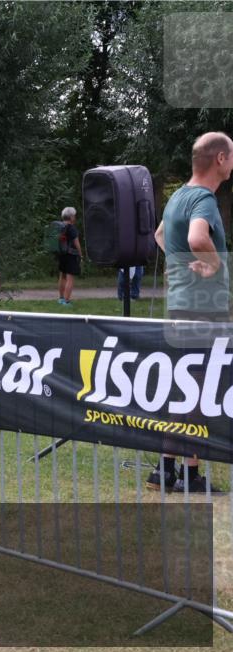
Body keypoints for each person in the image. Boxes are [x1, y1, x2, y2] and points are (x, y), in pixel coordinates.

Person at [148, 131, 232, 493]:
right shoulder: (203, 199)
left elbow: (159, 236)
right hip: (203, 310)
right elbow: (198, 238)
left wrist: (180, 264)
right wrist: (211, 264)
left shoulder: (177, 197)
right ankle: (181, 472)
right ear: (220, 160)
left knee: (187, 388)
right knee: (197, 390)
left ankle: (173, 470)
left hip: (182, 306)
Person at [56, 207, 83, 305]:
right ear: (71, 217)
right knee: (70, 278)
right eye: (74, 216)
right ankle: (66, 301)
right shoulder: (71, 228)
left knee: (62, 276)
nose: (75, 217)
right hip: (71, 255)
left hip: (61, 254)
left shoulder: (59, 226)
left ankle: (61, 298)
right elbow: (77, 243)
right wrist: (81, 255)